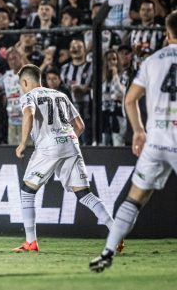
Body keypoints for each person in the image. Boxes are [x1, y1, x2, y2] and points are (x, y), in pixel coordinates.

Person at [89, 11, 177, 273]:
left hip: (156, 141)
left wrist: (138, 131)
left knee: (134, 199)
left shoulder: (152, 61)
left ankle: (107, 252)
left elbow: (129, 99)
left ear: (166, 32)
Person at [13, 64, 121, 253]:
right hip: (71, 142)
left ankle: (31, 242)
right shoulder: (60, 95)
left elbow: (29, 114)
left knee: (27, 191)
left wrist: (23, 143)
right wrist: (65, 142)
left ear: (24, 82)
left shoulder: (29, 96)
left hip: (48, 147)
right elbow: (79, 125)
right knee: (85, 194)